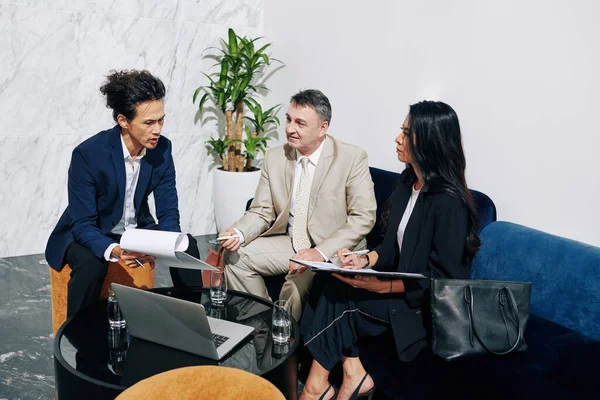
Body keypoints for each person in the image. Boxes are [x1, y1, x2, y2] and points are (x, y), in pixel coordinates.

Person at [298, 101, 482, 400]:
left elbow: (445, 281)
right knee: (327, 280)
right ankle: (352, 372)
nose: (398, 139)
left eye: (408, 133)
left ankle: (316, 387)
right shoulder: (407, 181)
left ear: (431, 142)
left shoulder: (448, 203)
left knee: (343, 301)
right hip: (398, 289)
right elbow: (389, 249)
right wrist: (362, 259)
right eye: (401, 130)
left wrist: (383, 287)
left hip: (423, 306)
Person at [45, 69, 201, 318]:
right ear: (123, 121)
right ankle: (76, 336)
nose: (157, 129)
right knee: (91, 264)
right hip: (88, 231)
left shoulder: (162, 149)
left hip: (134, 230)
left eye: (161, 120)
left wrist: (165, 243)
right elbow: (83, 224)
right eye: (149, 122)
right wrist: (115, 250)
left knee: (187, 246)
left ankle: (191, 321)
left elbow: (168, 210)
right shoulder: (88, 154)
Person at [219, 89, 377, 321]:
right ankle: (263, 328)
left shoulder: (351, 158)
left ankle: (286, 345)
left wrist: (320, 252)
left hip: (333, 248)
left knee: (294, 285)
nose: (290, 128)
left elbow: (363, 217)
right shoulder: (275, 157)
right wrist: (239, 232)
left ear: (322, 128)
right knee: (235, 257)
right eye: (289, 119)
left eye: (300, 123)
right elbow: (262, 210)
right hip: (292, 242)